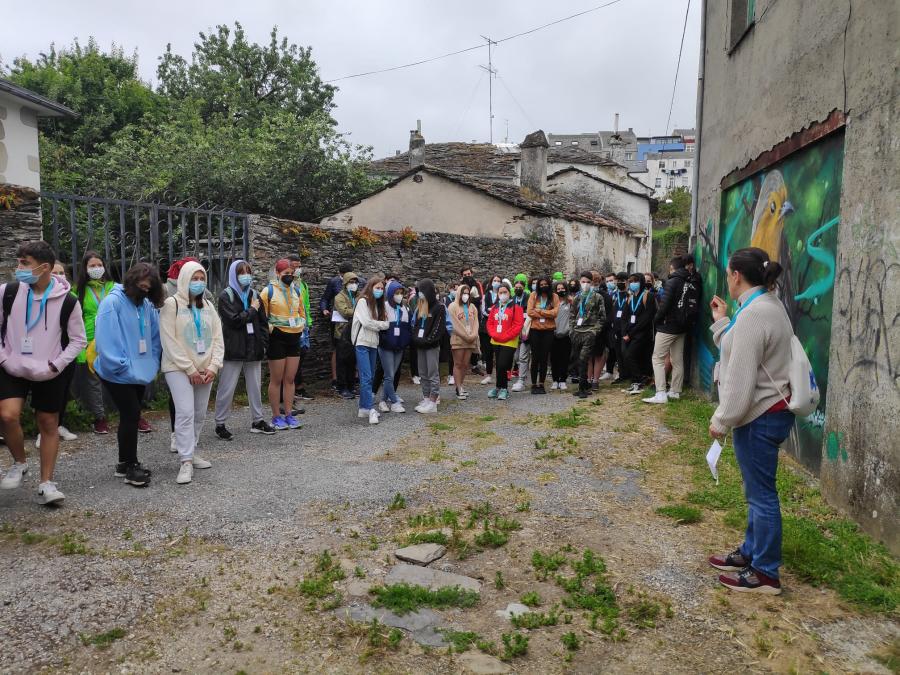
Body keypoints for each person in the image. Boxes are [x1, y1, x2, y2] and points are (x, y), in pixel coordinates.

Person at [707, 247, 793, 595]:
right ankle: (751, 552)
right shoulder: (765, 306)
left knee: (761, 496)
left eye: (728, 273)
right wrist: (723, 322)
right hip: (768, 413)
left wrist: (722, 420)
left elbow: (741, 379)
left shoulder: (756, 314)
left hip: (759, 416)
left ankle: (765, 573)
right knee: (756, 492)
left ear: (735, 276)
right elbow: (738, 347)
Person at [0, 241, 86, 503]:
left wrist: (56, 365)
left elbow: (78, 340)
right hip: (11, 366)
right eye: (19, 262)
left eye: (25, 263)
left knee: (48, 423)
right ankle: (19, 462)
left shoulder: (69, 301)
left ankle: (47, 483)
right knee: (7, 415)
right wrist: (4, 358)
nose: (19, 268)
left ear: (44, 267)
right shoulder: (8, 292)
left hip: (49, 371)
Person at [94, 263, 164, 487]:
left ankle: (124, 463)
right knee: (132, 413)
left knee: (130, 415)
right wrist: (122, 366)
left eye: (148, 288)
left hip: (141, 371)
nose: (144, 290)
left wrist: (152, 363)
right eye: (140, 285)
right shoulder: (111, 303)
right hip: (116, 372)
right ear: (131, 280)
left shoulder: (146, 305)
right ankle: (131, 466)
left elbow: (154, 337)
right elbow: (106, 341)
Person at [160, 260, 223, 485]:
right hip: (178, 368)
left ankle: (192, 449)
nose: (198, 282)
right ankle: (185, 461)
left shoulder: (208, 306)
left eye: (201, 278)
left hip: (205, 369)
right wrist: (189, 369)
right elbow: (169, 341)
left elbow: (217, 338)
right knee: (185, 412)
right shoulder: (171, 304)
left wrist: (213, 366)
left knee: (199, 413)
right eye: (194, 278)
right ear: (185, 279)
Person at [214, 260, 275, 439]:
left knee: (255, 386)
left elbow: (263, 323)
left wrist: (263, 343)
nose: (246, 275)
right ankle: (220, 423)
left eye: (248, 271)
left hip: (253, 347)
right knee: (227, 387)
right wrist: (252, 310)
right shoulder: (226, 295)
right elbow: (234, 320)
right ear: (234, 274)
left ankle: (258, 420)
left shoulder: (254, 294)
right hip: (234, 348)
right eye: (242, 272)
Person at [34, 261, 78, 449]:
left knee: (64, 390)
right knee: (43, 394)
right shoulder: (40, 297)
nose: (60, 276)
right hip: (46, 352)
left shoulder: (71, 297)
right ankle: (42, 431)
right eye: (55, 272)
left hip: (68, 351)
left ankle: (59, 425)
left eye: (62, 272)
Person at [72, 250, 115, 435]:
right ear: (85, 269)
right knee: (93, 380)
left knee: (119, 377)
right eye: (92, 266)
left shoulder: (115, 287)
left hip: (113, 338)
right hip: (90, 340)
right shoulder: (78, 290)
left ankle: (133, 414)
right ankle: (100, 418)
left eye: (99, 265)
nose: (96, 269)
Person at [260, 259, 305, 430]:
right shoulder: (267, 291)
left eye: (291, 274)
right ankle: (276, 416)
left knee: (290, 379)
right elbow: (262, 317)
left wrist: (301, 323)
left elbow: (301, 311)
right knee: (276, 379)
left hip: (294, 338)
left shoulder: (297, 290)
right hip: (277, 338)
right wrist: (272, 329)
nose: (289, 276)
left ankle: (288, 414)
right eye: (285, 274)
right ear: (278, 274)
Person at [643, 257, 691, 405]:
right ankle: (675, 391)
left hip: (667, 326)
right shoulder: (688, 282)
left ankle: (660, 392)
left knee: (657, 358)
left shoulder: (672, 282)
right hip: (682, 326)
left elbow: (665, 305)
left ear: (672, 268)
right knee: (677, 359)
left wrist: (656, 319)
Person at [351, 276, 391, 424]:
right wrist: (381, 324)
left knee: (370, 376)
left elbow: (386, 323)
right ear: (370, 287)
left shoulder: (379, 305)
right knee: (366, 377)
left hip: (373, 343)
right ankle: (370, 408)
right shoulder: (363, 301)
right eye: (377, 288)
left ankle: (363, 408)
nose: (379, 291)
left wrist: (380, 324)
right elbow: (367, 323)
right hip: (362, 342)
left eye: (382, 288)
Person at [411, 279, 446, 413]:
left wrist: (427, 340)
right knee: (423, 374)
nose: (420, 294)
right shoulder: (421, 306)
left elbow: (438, 329)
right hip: (420, 346)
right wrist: (416, 339)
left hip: (431, 346)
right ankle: (426, 398)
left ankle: (433, 401)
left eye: (421, 291)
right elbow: (416, 326)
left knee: (432, 373)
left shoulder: (439, 307)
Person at [569, 271, 606, 399]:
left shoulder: (597, 297)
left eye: (588, 282)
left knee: (584, 358)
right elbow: (572, 315)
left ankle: (583, 387)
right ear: (580, 282)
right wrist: (572, 330)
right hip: (577, 332)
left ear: (592, 283)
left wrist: (594, 331)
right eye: (583, 282)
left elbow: (602, 317)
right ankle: (582, 386)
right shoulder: (577, 298)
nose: (585, 284)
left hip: (589, 331)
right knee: (578, 359)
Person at [485, 281, 524, 401]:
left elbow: (518, 325)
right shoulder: (495, 307)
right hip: (496, 340)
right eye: (500, 292)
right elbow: (490, 322)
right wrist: (493, 334)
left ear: (509, 293)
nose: (502, 294)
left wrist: (505, 336)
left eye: (505, 292)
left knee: (503, 364)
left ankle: (504, 389)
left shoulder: (516, 308)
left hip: (509, 341)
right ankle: (498, 387)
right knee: (499, 365)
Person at [377, 280, 411, 413]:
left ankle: (383, 401)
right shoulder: (384, 307)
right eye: (396, 293)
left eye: (401, 293)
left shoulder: (404, 308)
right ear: (390, 293)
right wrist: (385, 341)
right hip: (386, 347)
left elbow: (407, 328)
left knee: (390, 375)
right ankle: (395, 402)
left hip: (399, 347)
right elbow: (380, 327)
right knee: (389, 375)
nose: (399, 295)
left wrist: (404, 342)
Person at [621, 274, 657, 395]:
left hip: (642, 333)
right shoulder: (630, 297)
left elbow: (646, 319)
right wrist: (624, 332)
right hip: (630, 333)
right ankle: (636, 381)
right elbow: (625, 317)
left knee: (630, 355)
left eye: (635, 281)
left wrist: (630, 334)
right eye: (630, 281)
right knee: (628, 356)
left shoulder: (649, 296)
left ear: (641, 282)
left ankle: (639, 380)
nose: (633, 283)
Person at [285, 254, 314, 404]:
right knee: (294, 356)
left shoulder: (303, 285)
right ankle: (295, 388)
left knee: (302, 354)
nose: (297, 270)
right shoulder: (286, 284)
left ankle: (297, 387)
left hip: (304, 326)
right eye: (294, 267)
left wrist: (308, 322)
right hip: (292, 326)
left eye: (298, 266)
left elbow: (306, 305)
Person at [321, 261, 353, 389]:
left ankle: (353, 378)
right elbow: (325, 298)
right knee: (337, 349)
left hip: (353, 322)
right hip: (338, 321)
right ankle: (336, 378)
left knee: (353, 349)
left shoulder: (358, 282)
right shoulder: (334, 282)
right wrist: (324, 309)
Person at [526, 276, 559, 394]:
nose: (543, 286)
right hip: (535, 330)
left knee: (544, 358)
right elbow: (529, 311)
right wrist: (546, 314)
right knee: (535, 357)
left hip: (548, 330)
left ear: (549, 285)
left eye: (545, 284)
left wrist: (539, 311)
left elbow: (555, 313)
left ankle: (542, 383)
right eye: (541, 284)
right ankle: (534, 383)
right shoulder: (533, 295)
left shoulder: (554, 296)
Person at [448, 283, 480, 400]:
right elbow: (454, 324)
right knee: (458, 363)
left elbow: (476, 322)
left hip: (470, 339)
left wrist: (474, 334)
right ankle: (458, 387)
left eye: (467, 293)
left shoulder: (472, 307)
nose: (465, 295)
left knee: (466, 364)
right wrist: (465, 335)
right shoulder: (452, 306)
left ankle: (460, 385)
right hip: (458, 339)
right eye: (463, 293)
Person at [333, 271, 360, 399]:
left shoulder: (358, 296)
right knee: (342, 361)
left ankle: (351, 385)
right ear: (345, 283)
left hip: (355, 332)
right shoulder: (339, 297)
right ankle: (342, 387)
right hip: (342, 333)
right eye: (351, 282)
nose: (353, 284)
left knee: (352, 361)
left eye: (355, 282)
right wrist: (359, 311)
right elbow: (344, 312)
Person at [479, 274, 503, 385]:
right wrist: (493, 312)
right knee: (487, 352)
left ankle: (500, 375)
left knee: (498, 352)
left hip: (499, 326)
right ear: (491, 282)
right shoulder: (486, 295)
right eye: (495, 280)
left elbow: (503, 309)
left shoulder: (502, 295)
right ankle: (488, 375)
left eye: (498, 280)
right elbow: (483, 310)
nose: (496, 282)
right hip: (486, 327)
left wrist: (493, 310)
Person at [510, 273, 531, 392]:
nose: (518, 289)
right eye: (516, 287)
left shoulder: (528, 298)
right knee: (516, 356)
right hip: (514, 331)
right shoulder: (512, 299)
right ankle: (522, 373)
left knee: (523, 356)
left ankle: (521, 380)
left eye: (520, 287)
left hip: (524, 330)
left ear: (524, 288)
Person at [550, 280, 571, 390]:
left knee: (564, 358)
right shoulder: (552, 303)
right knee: (554, 359)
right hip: (553, 334)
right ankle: (555, 380)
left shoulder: (570, 302)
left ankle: (563, 380)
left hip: (566, 335)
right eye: (558, 289)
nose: (560, 291)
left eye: (562, 288)